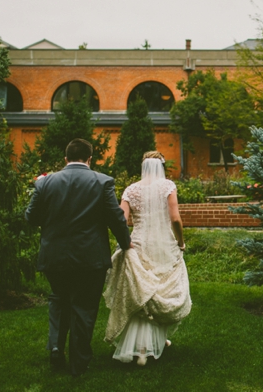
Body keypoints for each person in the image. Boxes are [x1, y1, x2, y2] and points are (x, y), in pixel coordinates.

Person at [25, 138, 131, 377]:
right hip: (89, 258)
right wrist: (126, 243)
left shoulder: (45, 183)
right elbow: (116, 218)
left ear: (66, 159)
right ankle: (78, 364)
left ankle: (55, 347)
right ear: (89, 159)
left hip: (54, 256)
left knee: (58, 299)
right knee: (83, 307)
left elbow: (31, 217)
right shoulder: (102, 181)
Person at [104, 151, 192, 366]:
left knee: (141, 292)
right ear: (161, 166)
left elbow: (122, 220)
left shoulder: (131, 189)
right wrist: (180, 242)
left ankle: (142, 348)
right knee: (159, 290)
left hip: (139, 244)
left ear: (143, 166)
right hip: (163, 245)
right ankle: (148, 347)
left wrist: (125, 243)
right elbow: (175, 219)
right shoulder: (168, 186)